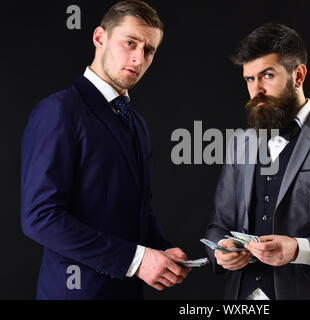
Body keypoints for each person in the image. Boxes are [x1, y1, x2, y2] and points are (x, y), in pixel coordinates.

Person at [21, 0, 190, 300]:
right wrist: (137, 260)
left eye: (148, 50)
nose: (138, 58)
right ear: (100, 38)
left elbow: (137, 209)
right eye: (130, 43)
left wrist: (162, 249)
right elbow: (40, 218)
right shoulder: (58, 111)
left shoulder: (137, 123)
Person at [205, 23, 310, 300]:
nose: (256, 89)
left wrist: (299, 250)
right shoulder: (240, 142)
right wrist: (221, 250)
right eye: (249, 79)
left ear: (298, 75)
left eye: (267, 75)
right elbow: (218, 226)